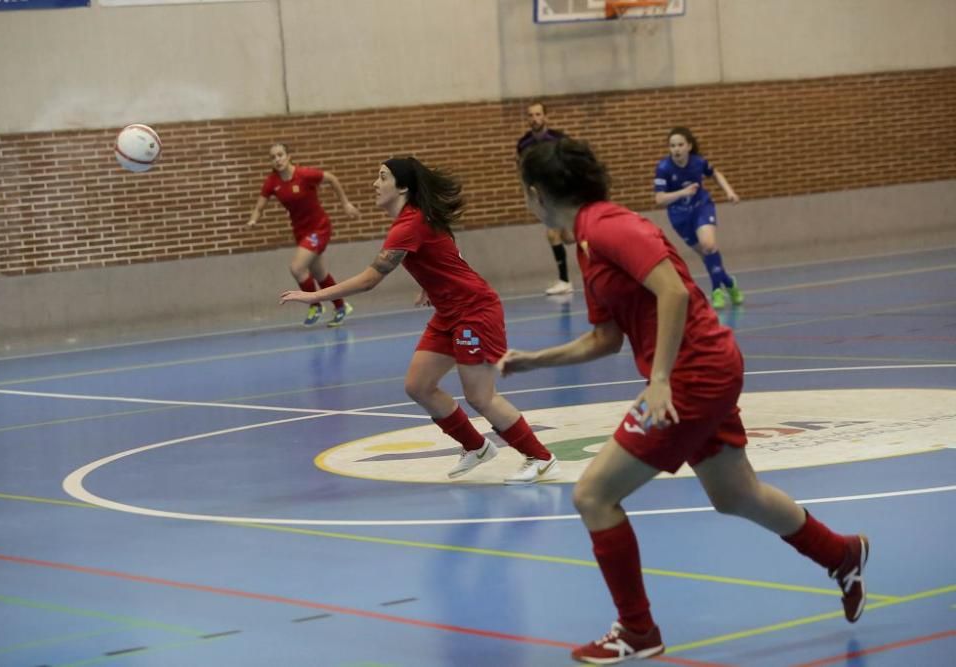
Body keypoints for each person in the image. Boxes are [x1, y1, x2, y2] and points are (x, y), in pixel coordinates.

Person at [505, 138, 869, 664]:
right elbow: (604, 338)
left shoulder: (609, 226)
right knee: (736, 494)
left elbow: (672, 291)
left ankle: (637, 632)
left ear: (537, 194)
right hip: (705, 369)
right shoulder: (587, 241)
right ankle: (842, 553)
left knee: (592, 495)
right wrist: (534, 361)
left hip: (694, 373)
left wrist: (659, 379)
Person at [280, 157, 561, 484]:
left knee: (480, 396)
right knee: (419, 385)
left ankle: (540, 458)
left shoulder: (408, 224)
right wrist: (431, 285)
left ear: (402, 187)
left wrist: (315, 296)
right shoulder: (416, 221)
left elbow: (372, 279)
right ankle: (476, 446)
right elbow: (443, 249)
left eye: (382, 177)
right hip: (448, 313)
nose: (375, 183)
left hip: (474, 312)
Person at [247, 143, 360, 327]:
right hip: (301, 232)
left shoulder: (305, 175)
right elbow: (259, 206)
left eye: (280, 155)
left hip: (319, 228)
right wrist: (253, 220)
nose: (277, 159)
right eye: (273, 157)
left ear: (288, 156)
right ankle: (341, 307)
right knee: (320, 274)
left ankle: (315, 304)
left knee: (297, 268)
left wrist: (345, 204)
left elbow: (331, 178)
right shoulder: (272, 182)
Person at [654, 127, 744, 309]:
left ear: (689, 146)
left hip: (701, 207)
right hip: (680, 217)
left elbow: (716, 173)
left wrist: (729, 192)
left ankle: (716, 290)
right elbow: (659, 199)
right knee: (707, 255)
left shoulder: (698, 162)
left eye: (680, 145)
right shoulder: (663, 168)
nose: (676, 149)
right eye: (672, 146)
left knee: (709, 245)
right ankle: (729, 283)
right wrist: (683, 192)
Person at [516, 101, 574, 296]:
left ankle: (565, 280)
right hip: (544, 197)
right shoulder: (523, 144)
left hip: (563, 193)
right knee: (567, 237)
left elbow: (571, 164)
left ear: (545, 116)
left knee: (557, 235)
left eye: (538, 114)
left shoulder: (559, 140)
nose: (535, 119)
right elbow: (523, 170)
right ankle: (566, 279)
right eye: (531, 115)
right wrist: (528, 192)